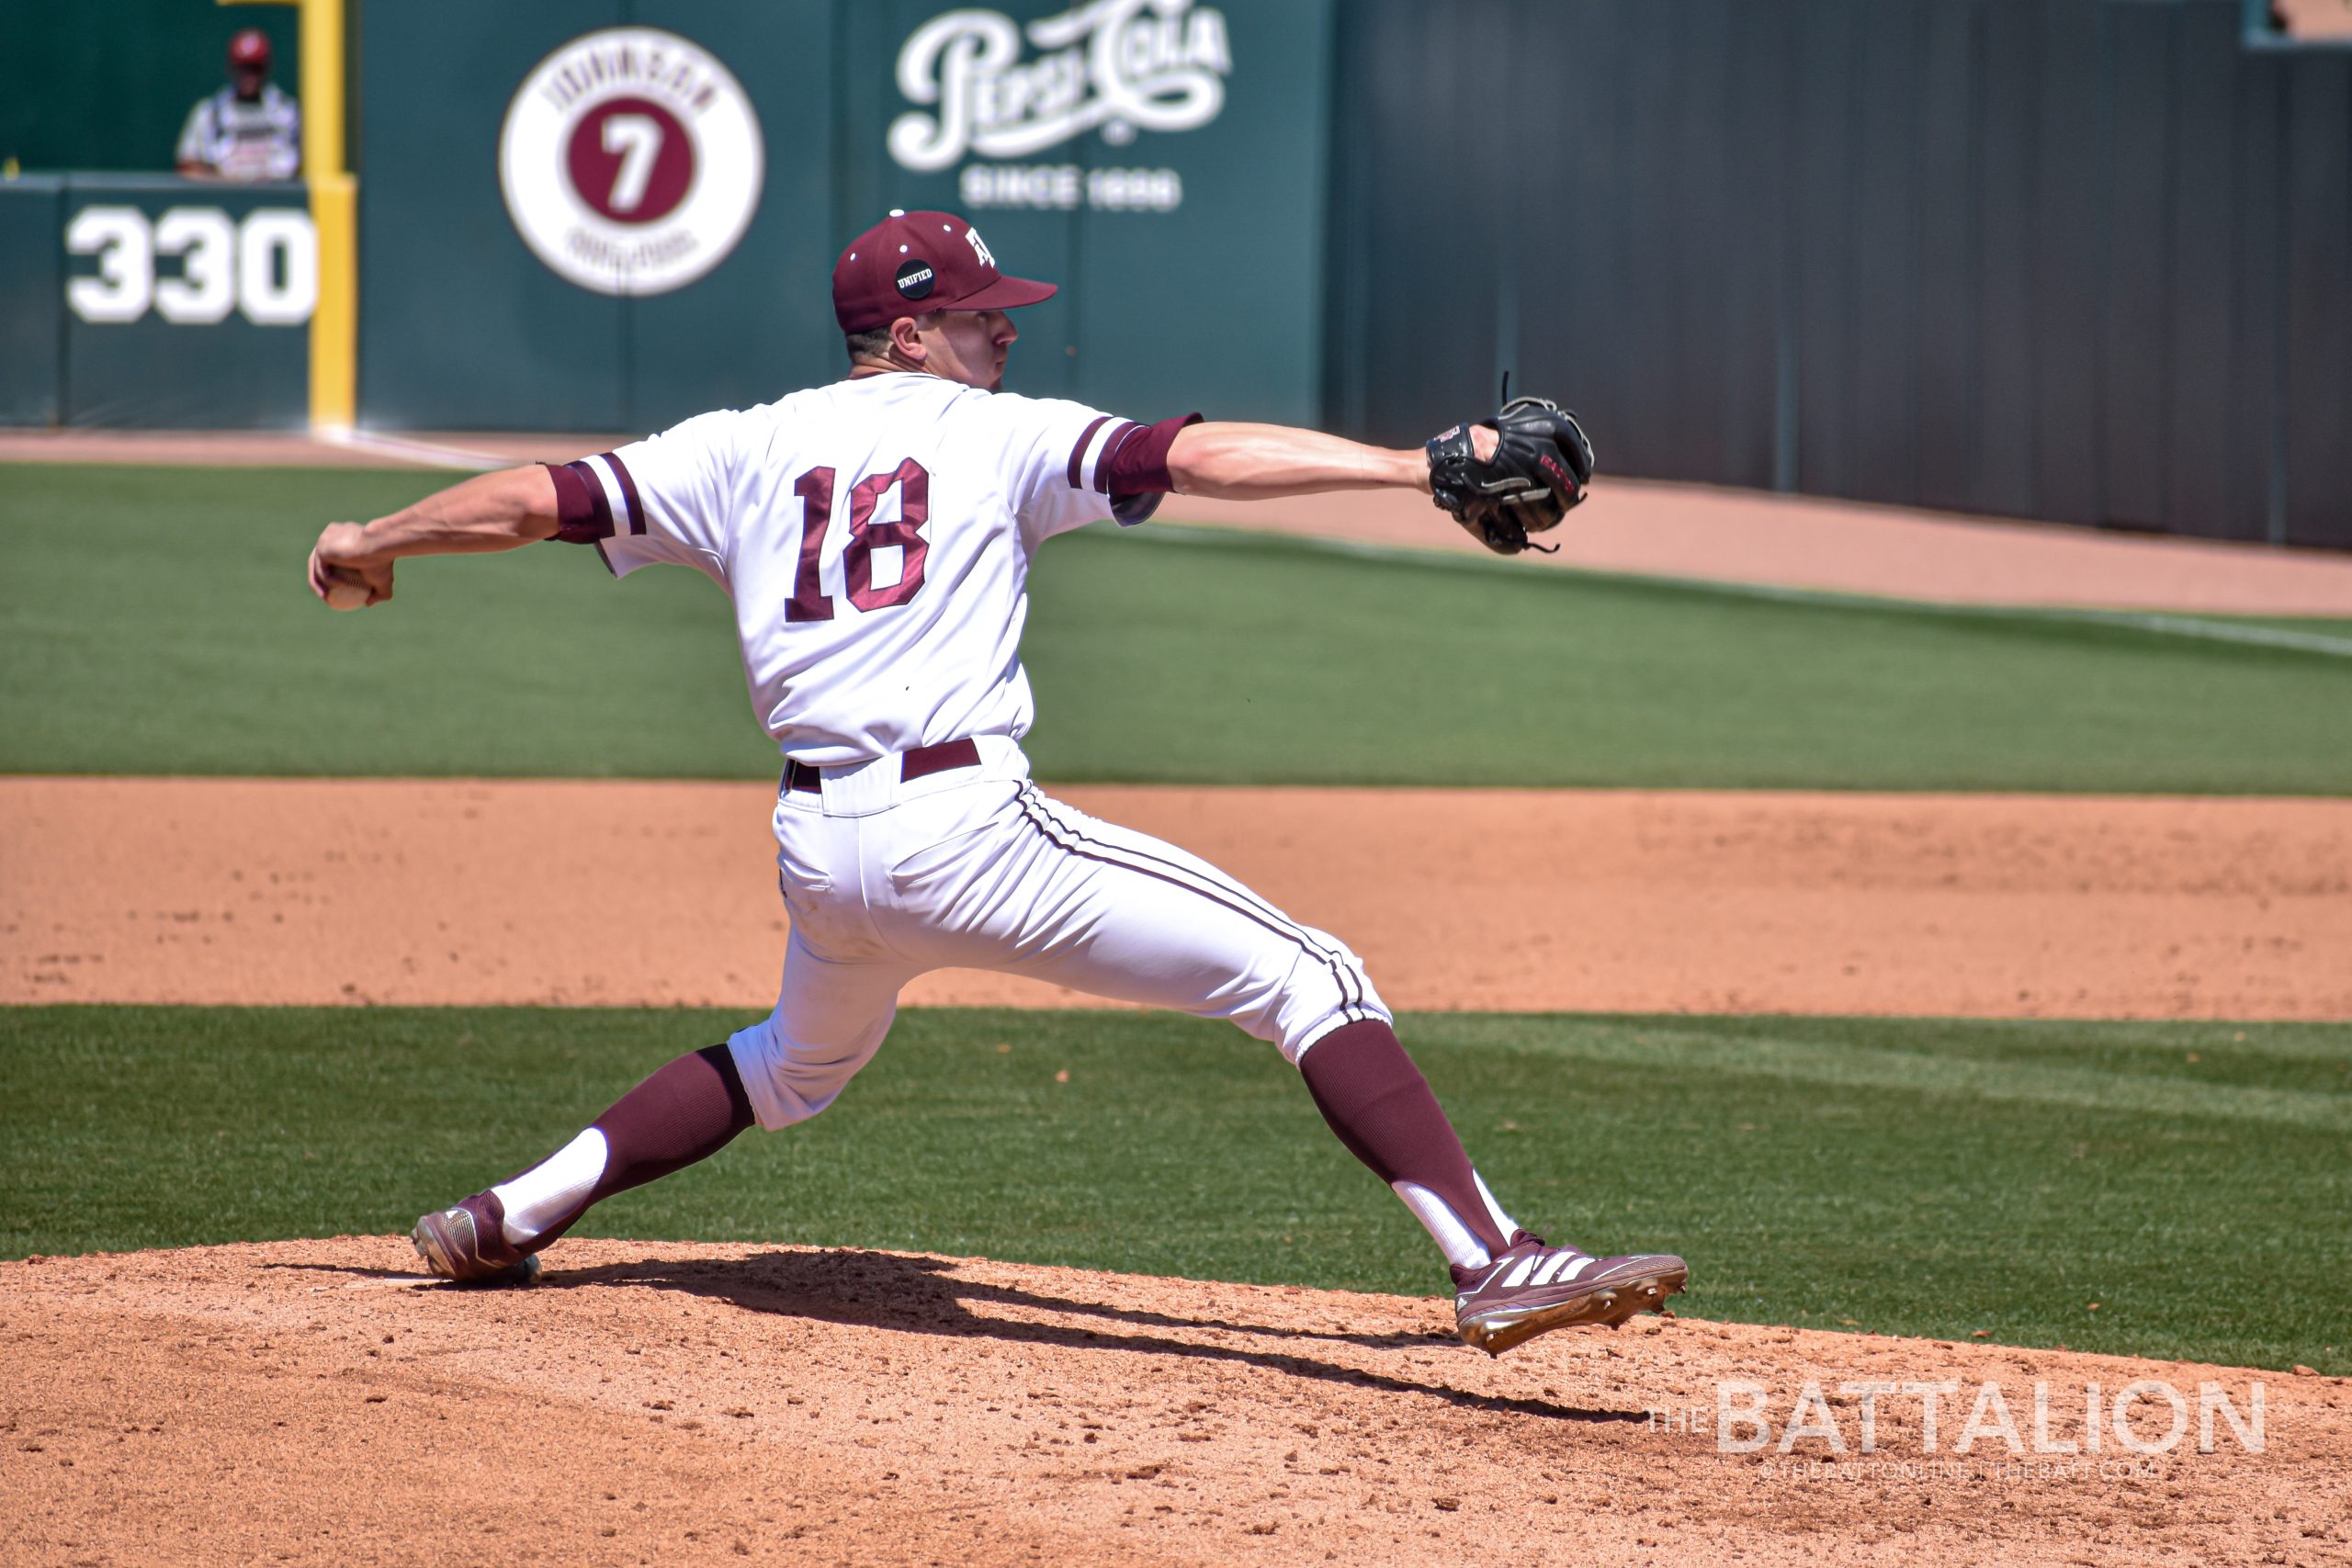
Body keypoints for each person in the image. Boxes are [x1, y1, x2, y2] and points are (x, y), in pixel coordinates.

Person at [306, 209, 1685, 1355]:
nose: (1005, 328)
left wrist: (375, 537)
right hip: (962, 832)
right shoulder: (1000, 433)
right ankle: (1494, 1256)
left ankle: (508, 1214)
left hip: (817, 852)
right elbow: (1193, 455)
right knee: (1308, 974)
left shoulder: (731, 445)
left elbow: (534, 498)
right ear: (908, 333)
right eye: (978, 313)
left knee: (793, 1062)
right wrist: (1410, 463)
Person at [175, 28, 300, 183]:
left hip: (281, 200)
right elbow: (188, 166)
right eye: (243, 68)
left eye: (255, 68)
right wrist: (226, 182)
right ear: (231, 67)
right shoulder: (211, 112)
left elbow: (308, 164)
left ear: (267, 68)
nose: (249, 76)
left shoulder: (288, 111)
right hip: (225, 199)